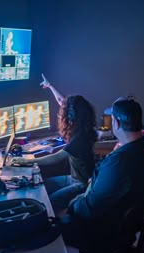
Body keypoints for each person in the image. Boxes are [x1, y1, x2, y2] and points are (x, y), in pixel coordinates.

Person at [60, 97, 144, 253]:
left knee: (56, 225)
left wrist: (74, 204)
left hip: (105, 228)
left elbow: (91, 207)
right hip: (125, 222)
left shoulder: (118, 162)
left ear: (116, 123)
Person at [12, 75, 97, 215]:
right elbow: (62, 102)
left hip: (81, 184)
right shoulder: (83, 126)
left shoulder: (81, 137)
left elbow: (56, 158)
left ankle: (55, 227)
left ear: (71, 116)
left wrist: (27, 161)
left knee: (49, 202)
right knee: (39, 186)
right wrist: (50, 86)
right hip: (72, 178)